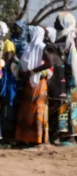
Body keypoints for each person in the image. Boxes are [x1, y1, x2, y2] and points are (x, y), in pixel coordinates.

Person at [15, 26, 51, 146]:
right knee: (27, 109)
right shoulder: (28, 48)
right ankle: (27, 138)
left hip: (39, 82)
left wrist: (32, 71)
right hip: (29, 83)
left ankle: (38, 139)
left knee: (38, 109)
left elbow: (49, 63)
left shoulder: (42, 47)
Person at [53, 12, 77, 145]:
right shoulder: (59, 39)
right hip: (62, 78)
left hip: (73, 78)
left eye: (57, 21)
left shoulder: (73, 37)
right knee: (63, 105)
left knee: (73, 106)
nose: (55, 24)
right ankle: (63, 133)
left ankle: (71, 136)